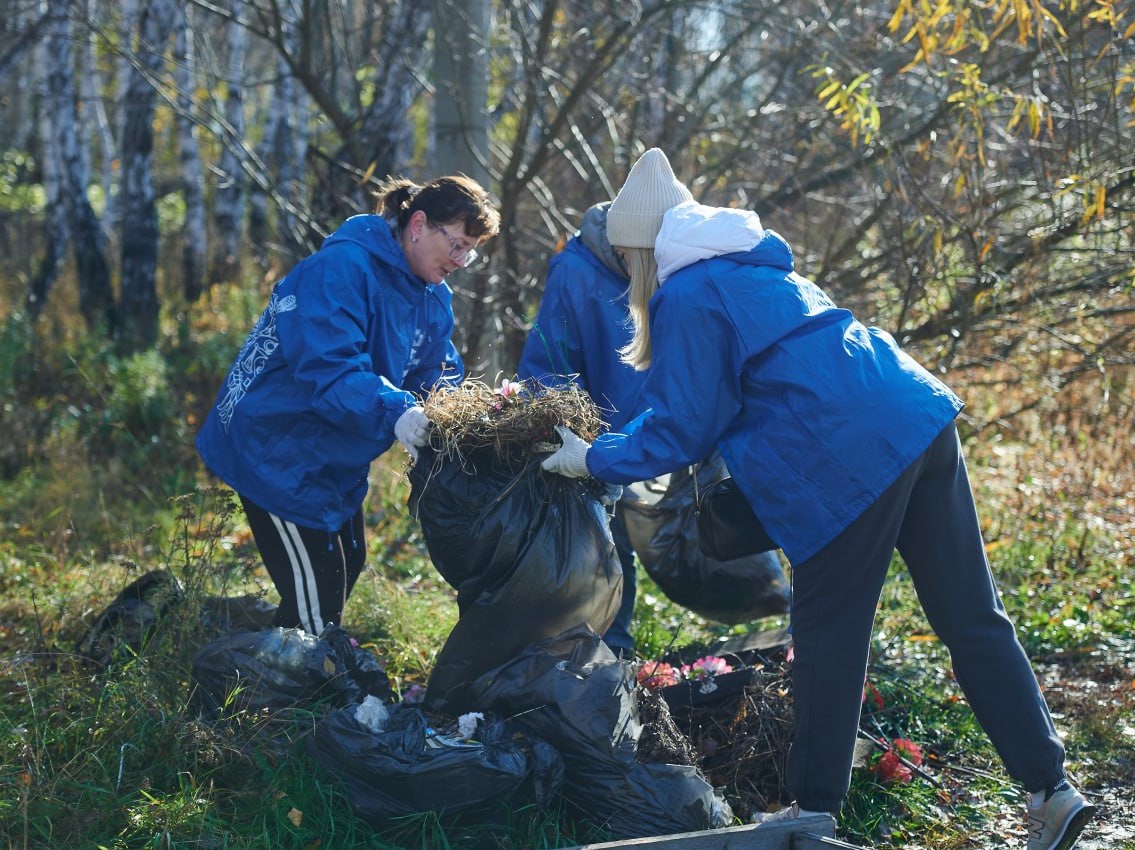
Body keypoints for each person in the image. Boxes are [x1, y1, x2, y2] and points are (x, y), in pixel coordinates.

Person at [539, 148, 1094, 850]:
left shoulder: (686, 291)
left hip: (849, 452)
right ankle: (1050, 788)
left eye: (625, 258)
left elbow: (686, 423)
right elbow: (700, 403)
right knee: (971, 617)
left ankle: (812, 808)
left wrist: (594, 457)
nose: (625, 273)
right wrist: (620, 445)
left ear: (641, 248)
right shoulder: (754, 266)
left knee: (829, 632)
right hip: (916, 414)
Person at [197, 174, 500, 636]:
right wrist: (397, 411)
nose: (461, 260)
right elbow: (330, 369)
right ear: (418, 225)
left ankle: (240, 643)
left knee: (346, 565)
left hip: (333, 452)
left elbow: (436, 374)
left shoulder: (432, 295)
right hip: (276, 447)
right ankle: (286, 699)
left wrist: (473, 415)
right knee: (317, 603)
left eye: (470, 251)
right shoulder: (341, 270)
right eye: (457, 245)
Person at [517, 201, 642, 655]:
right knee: (602, 542)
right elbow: (551, 360)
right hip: (587, 438)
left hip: (638, 431)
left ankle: (616, 648)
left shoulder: (661, 266)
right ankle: (587, 648)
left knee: (621, 545)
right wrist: (574, 434)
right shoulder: (576, 272)